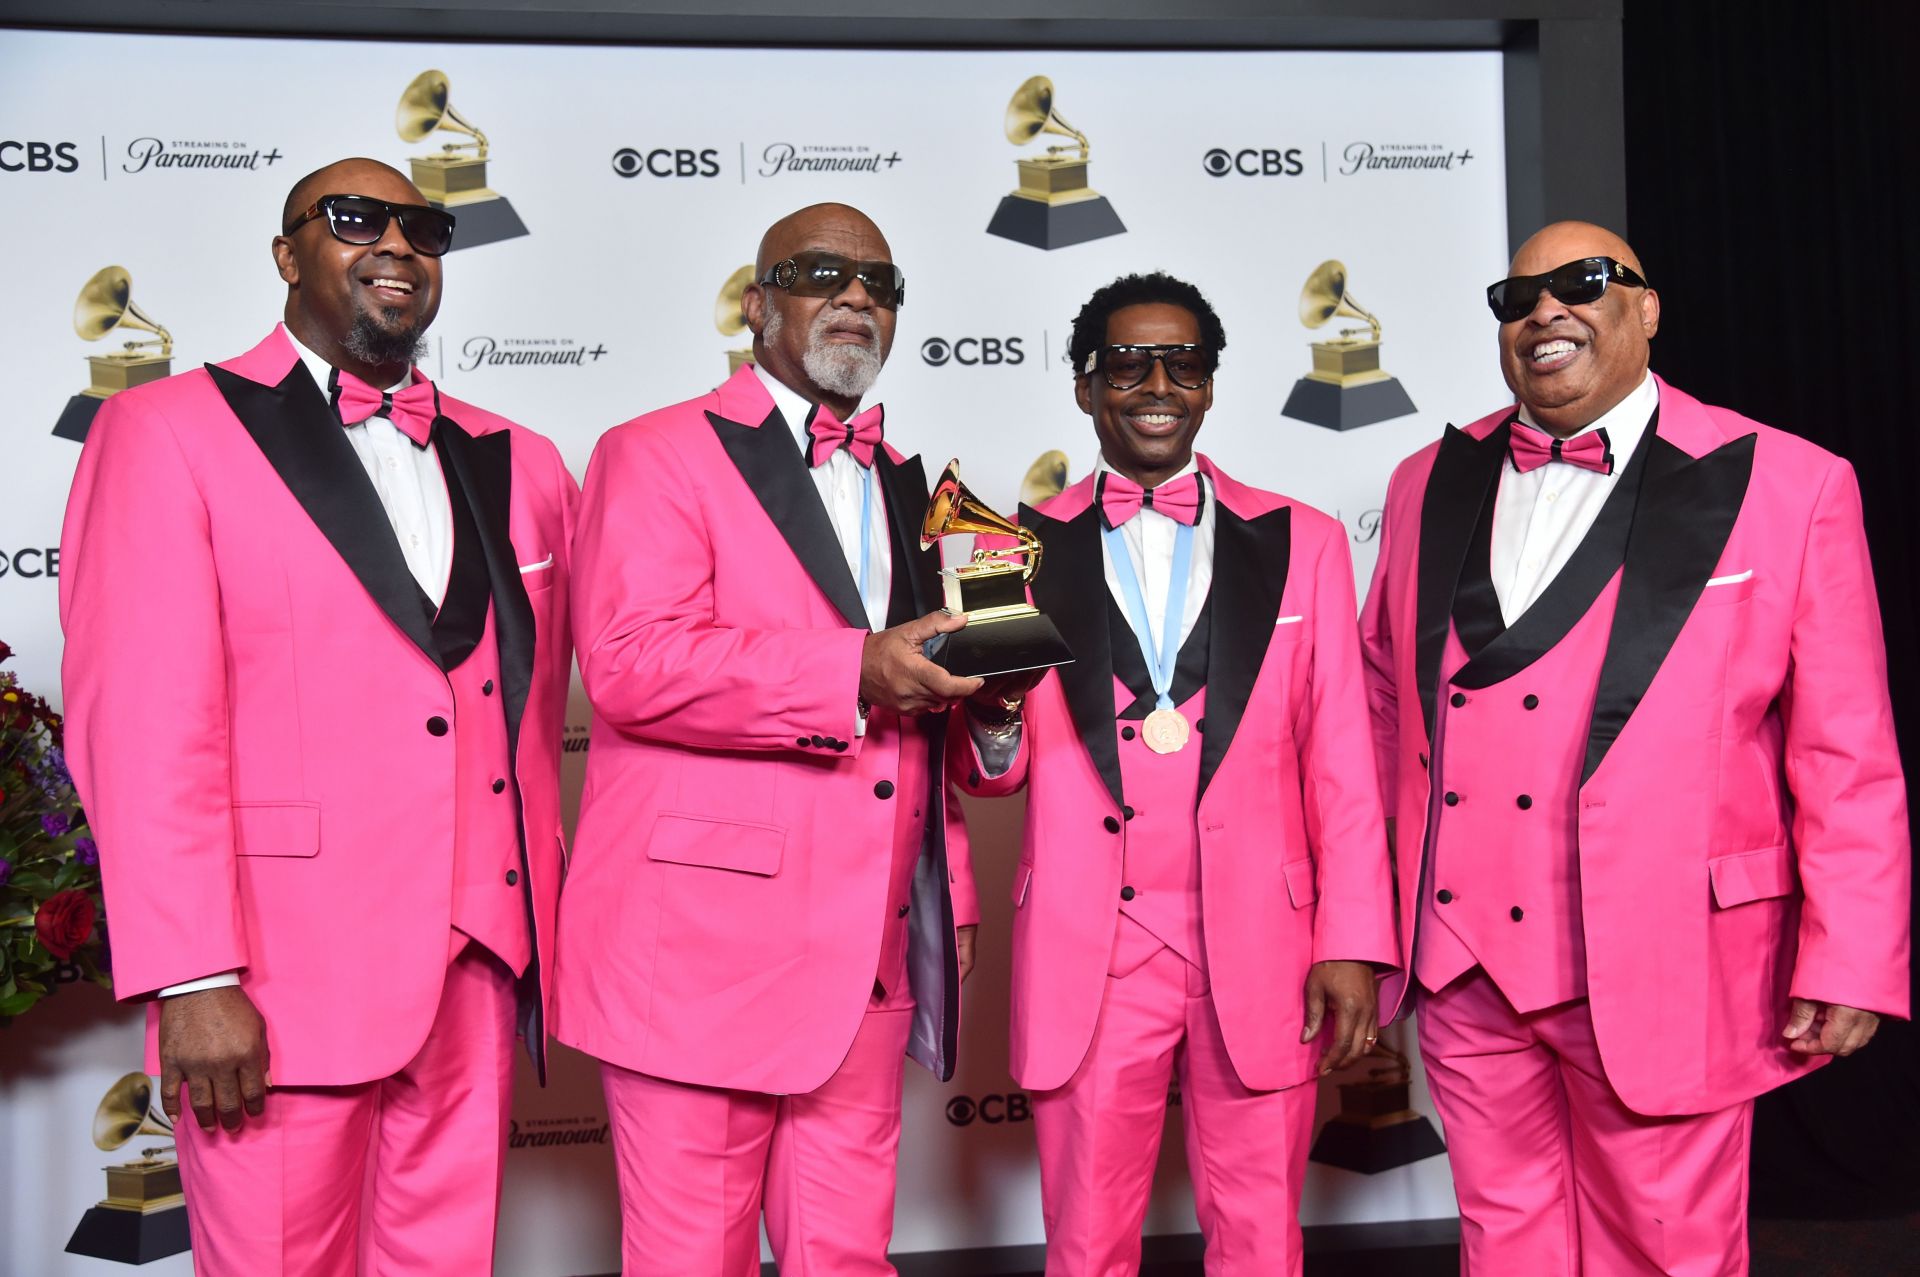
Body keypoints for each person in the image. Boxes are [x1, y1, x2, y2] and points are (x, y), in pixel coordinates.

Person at [1359, 221, 1910, 1275]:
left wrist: (1853, 951)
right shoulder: (1425, 479)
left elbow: (1846, 749)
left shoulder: (1790, 482)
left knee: (1668, 1252)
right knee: (1504, 1244)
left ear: (1647, 308)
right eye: (1516, 295)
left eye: (1584, 281)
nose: (1545, 309)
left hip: (1670, 957)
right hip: (1463, 961)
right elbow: (1386, 706)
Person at [59, 158, 577, 1275]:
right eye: (355, 220)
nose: (397, 245)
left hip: (477, 970)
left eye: (424, 228)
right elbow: (143, 728)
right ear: (289, 254)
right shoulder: (166, 432)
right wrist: (194, 977)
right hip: (275, 981)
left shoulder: (518, 456)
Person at [554, 202, 980, 1276]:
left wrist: (954, 886)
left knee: (847, 1256)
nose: (855, 295)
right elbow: (630, 662)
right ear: (756, 306)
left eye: (879, 282)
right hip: (701, 953)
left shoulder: (917, 488)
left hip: (871, 951)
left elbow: (933, 723)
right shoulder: (654, 450)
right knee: (693, 1257)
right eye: (821, 272)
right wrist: (852, 665)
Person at [957, 272, 1397, 1276]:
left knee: (1260, 1237)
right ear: (1084, 386)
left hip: (1266, 942)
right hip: (1091, 946)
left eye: (1182, 361)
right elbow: (994, 775)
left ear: (1207, 385)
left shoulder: (1305, 541)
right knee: (1086, 1241)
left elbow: (1342, 759)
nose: (1156, 381)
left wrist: (1355, 938)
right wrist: (992, 708)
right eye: (1126, 361)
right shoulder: (1002, 551)